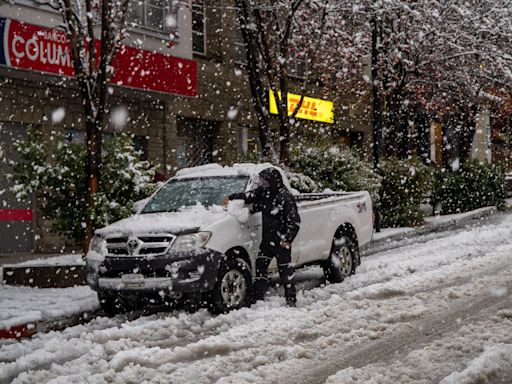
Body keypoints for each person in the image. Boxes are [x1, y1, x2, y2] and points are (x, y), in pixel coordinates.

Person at [224, 167, 301, 306]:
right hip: (267, 241)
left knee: (285, 271)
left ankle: (291, 299)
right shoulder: (265, 192)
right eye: (262, 181)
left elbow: (294, 221)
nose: (262, 184)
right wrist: (232, 197)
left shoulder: (284, 197)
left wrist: (287, 239)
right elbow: (250, 196)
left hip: (281, 241)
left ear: (273, 181)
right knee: (260, 267)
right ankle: (257, 298)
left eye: (265, 181)